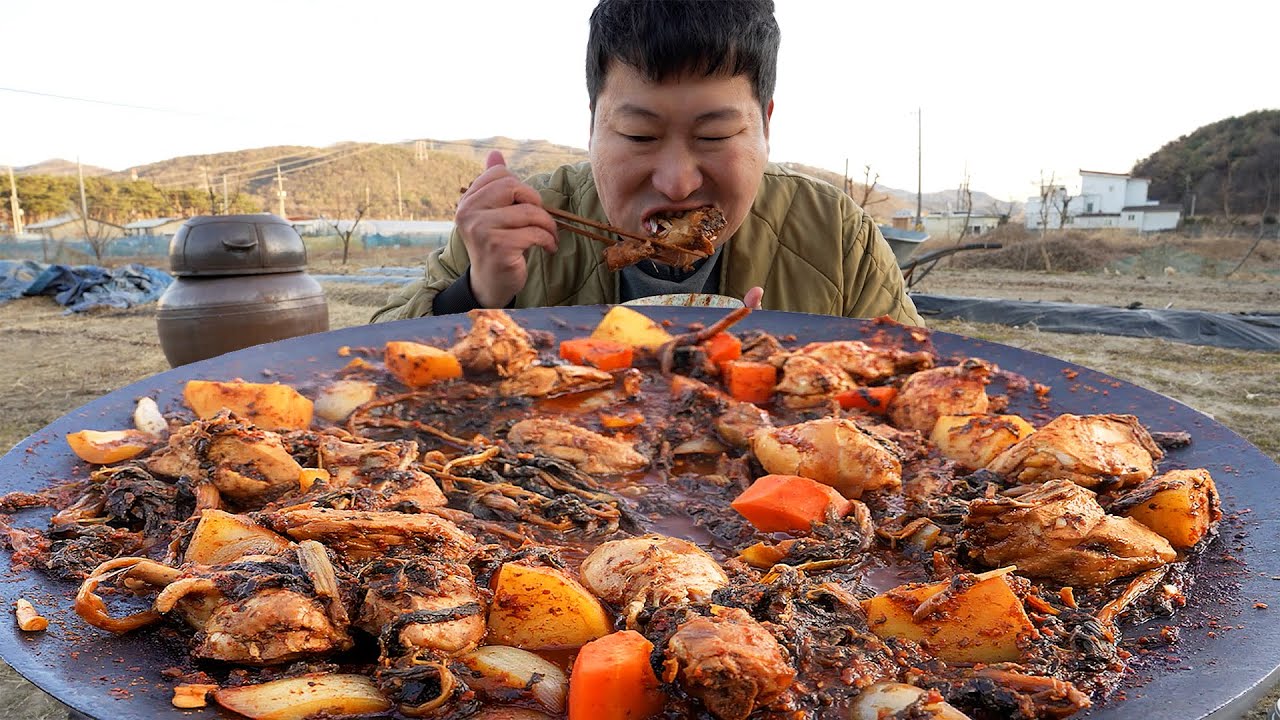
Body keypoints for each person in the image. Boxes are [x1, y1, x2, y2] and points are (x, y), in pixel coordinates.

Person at [372, 0, 923, 326]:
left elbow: (919, 385)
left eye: (715, 134)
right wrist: (478, 293)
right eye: (639, 134)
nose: (677, 181)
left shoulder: (833, 231)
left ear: (766, 125)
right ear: (592, 124)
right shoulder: (521, 220)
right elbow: (371, 368)